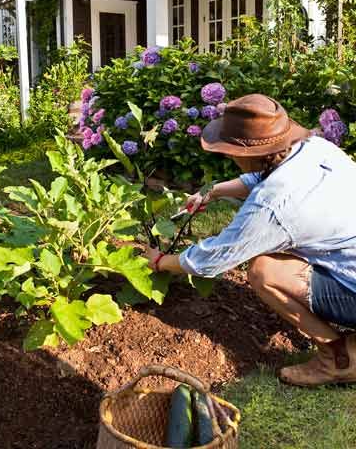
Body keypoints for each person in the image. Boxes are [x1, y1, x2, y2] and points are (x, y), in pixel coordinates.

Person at [146, 93, 356, 387]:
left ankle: (338, 358)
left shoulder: (273, 206)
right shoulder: (314, 147)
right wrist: (214, 191)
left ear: (246, 154)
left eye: (230, 151)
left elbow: (215, 258)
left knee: (264, 271)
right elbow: (265, 174)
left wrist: (160, 261)